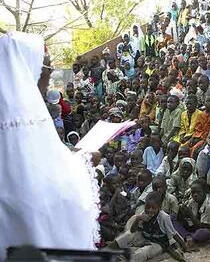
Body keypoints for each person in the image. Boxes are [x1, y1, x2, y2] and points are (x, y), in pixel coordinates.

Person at [0, 31, 98, 257]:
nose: (51, 73)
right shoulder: (24, 120)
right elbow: (43, 192)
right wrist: (84, 161)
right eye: (46, 67)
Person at [113, 191, 184, 262]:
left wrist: (184, 246)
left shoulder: (164, 217)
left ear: (159, 207)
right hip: (145, 237)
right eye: (147, 207)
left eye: (153, 208)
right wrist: (138, 219)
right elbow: (132, 230)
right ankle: (110, 248)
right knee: (128, 235)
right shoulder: (144, 213)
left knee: (144, 252)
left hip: (158, 243)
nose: (150, 210)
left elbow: (173, 233)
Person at [174, 179, 210, 244]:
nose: (195, 195)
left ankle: (188, 237)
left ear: (205, 192)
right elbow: (180, 219)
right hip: (194, 226)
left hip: (208, 229)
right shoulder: (192, 201)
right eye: (193, 192)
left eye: (199, 192)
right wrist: (180, 210)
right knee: (172, 217)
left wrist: (190, 214)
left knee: (203, 233)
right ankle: (188, 236)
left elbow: (202, 226)